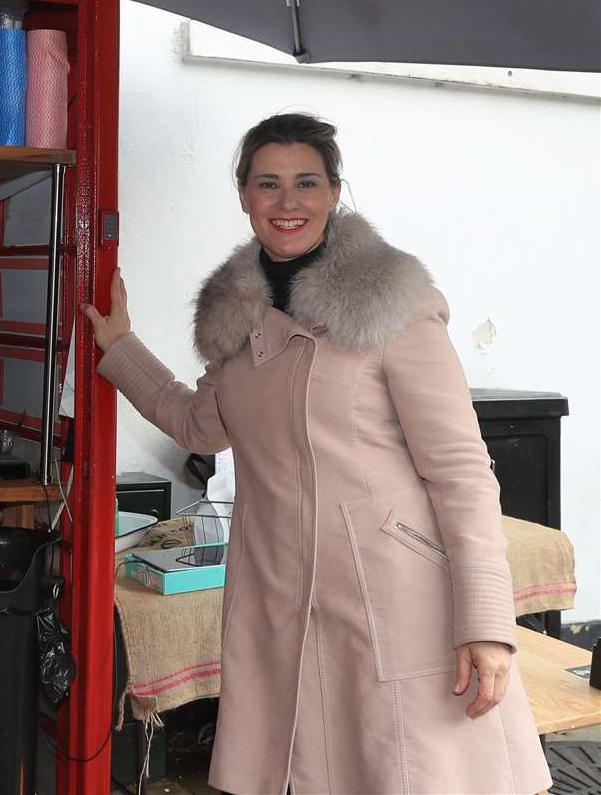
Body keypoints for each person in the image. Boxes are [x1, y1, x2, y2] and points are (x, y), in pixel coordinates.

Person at [83, 113, 550, 795]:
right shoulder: (237, 321)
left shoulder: (394, 305)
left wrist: (487, 624)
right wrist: (119, 347)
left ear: (335, 192)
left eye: (307, 182)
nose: (288, 201)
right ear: (243, 196)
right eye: (267, 183)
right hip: (277, 595)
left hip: (395, 600)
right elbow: (197, 424)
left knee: (405, 773)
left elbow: (461, 472)